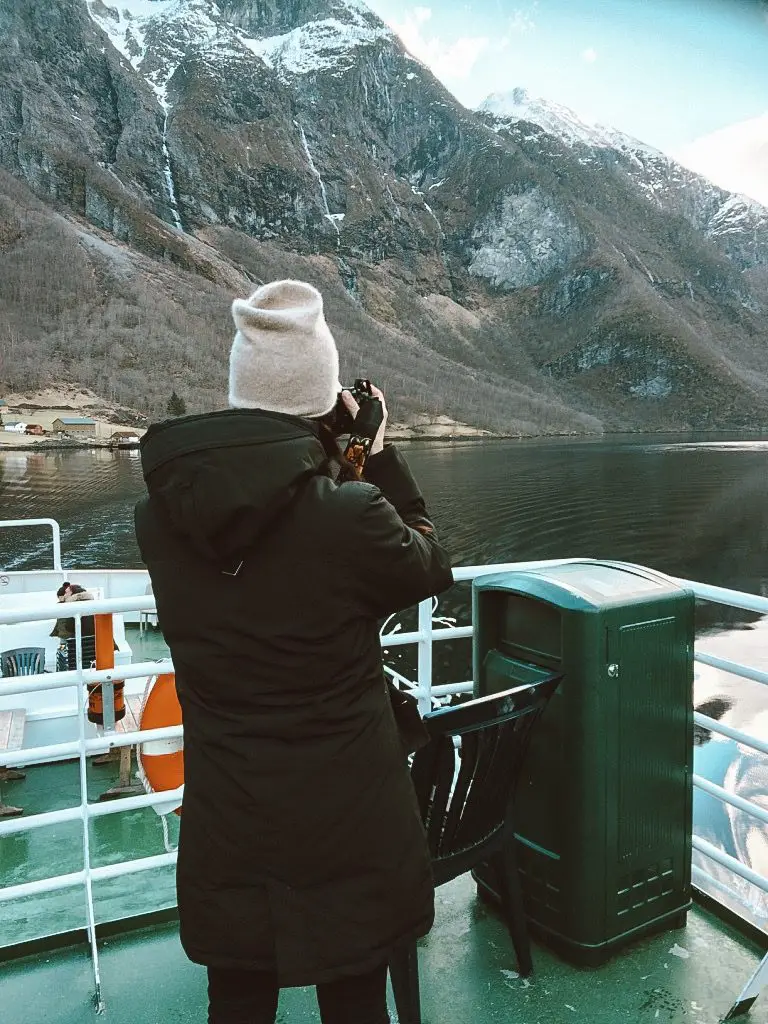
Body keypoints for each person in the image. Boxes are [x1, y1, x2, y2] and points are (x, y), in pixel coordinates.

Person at [134, 279, 454, 1024]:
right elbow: (428, 562)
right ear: (320, 396)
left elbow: (265, 523)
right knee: (353, 1003)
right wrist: (374, 452)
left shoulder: (159, 519)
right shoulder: (350, 513)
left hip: (231, 814)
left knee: (239, 1001)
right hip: (347, 812)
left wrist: (335, 459)